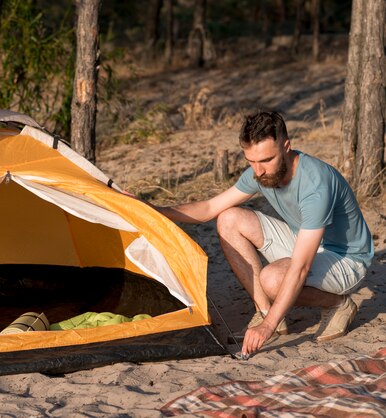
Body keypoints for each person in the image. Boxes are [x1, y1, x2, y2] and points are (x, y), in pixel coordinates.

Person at [151, 111, 374, 358]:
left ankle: (338, 304)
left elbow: (300, 267)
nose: (258, 171)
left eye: (266, 160)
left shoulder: (315, 185)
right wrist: (153, 209)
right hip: (303, 240)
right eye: (251, 161)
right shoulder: (260, 171)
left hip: (345, 258)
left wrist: (264, 330)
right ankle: (269, 313)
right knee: (228, 218)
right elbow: (209, 209)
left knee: (272, 279)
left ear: (287, 147)